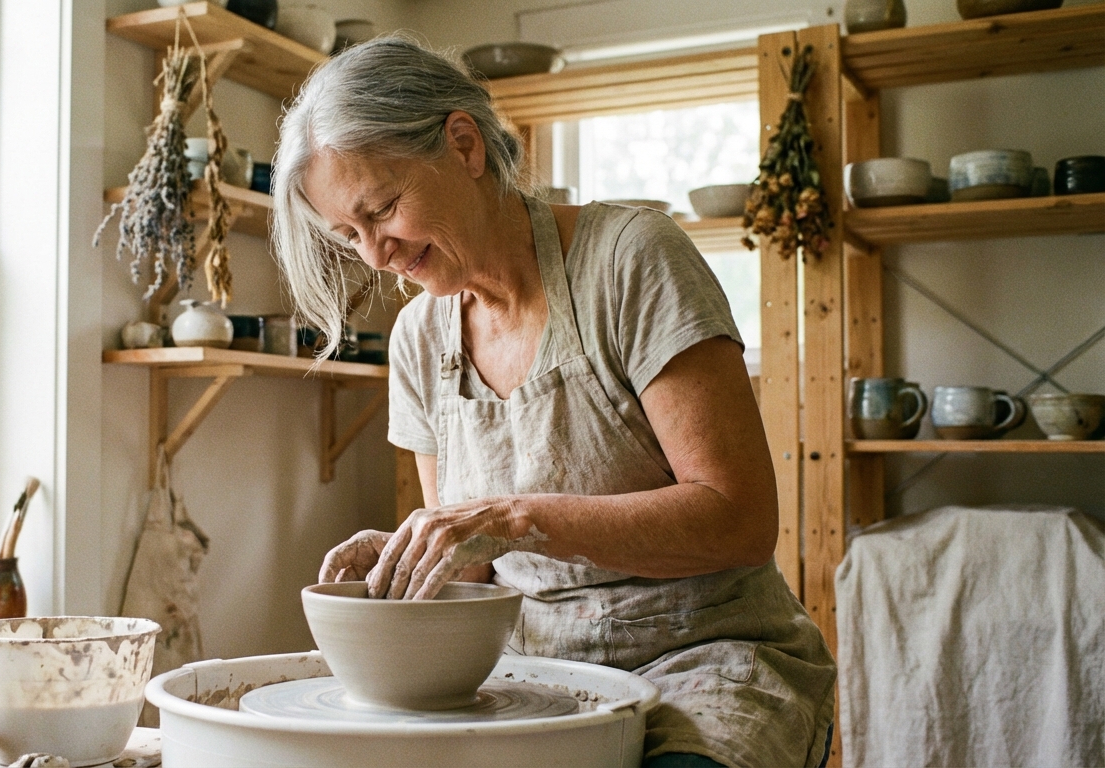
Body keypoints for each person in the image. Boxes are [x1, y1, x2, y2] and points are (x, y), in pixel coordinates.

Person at [271, 37, 835, 768]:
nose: (377, 255)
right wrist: (417, 555)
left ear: (465, 145)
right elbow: (472, 568)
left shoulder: (631, 259)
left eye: (382, 210)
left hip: (705, 662)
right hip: (528, 678)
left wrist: (513, 517)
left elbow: (741, 521)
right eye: (349, 236)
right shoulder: (418, 339)